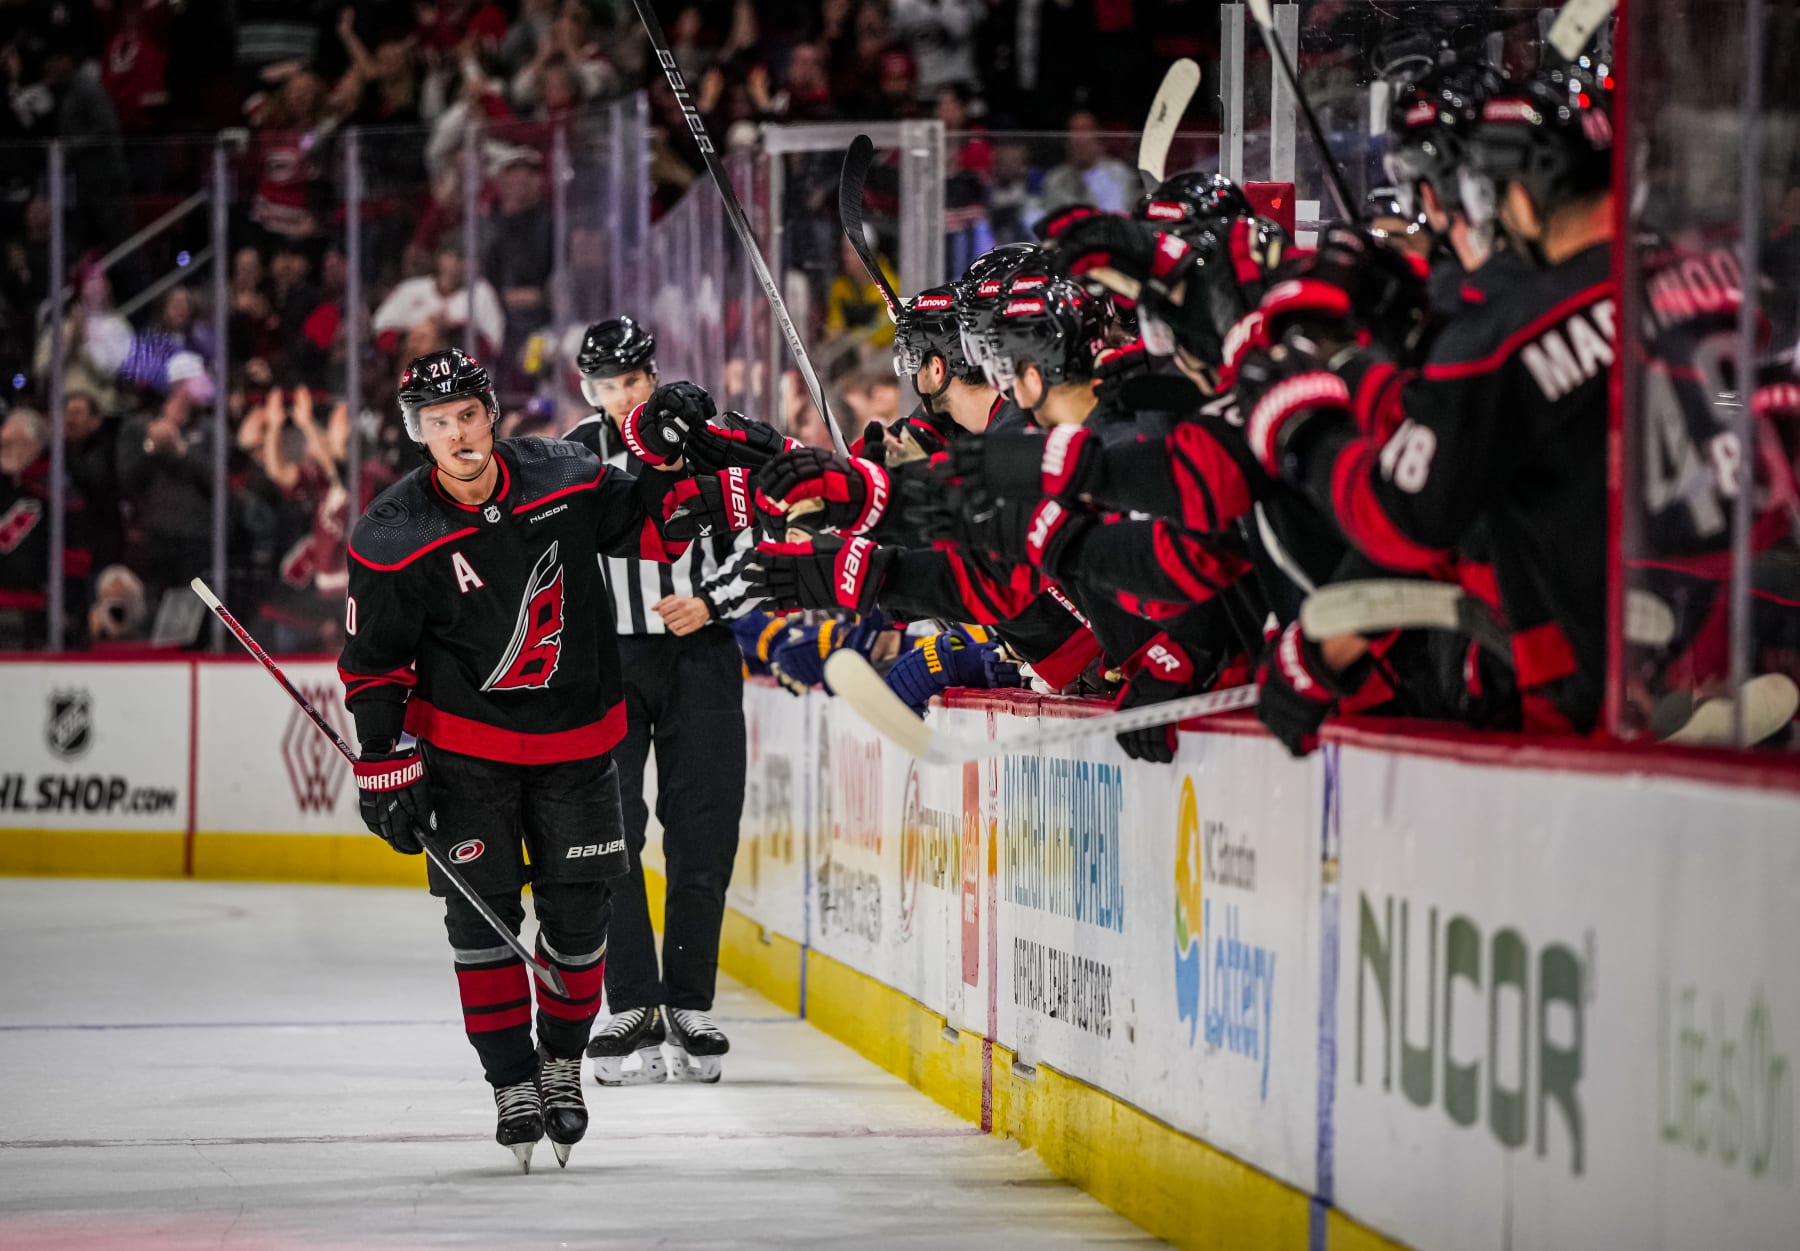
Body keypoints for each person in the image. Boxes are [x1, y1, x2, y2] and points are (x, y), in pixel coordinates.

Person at [339, 346, 744, 1170]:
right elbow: (375, 664)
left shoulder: (565, 476)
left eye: (469, 415)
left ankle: (560, 1063)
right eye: (438, 423)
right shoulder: (390, 536)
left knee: (579, 916)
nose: (458, 434)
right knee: (482, 923)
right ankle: (511, 1081)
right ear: (418, 433)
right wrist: (383, 763)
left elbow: (658, 523)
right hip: (464, 755)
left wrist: (679, 451)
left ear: (492, 414)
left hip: (577, 744)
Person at [562, 317, 767, 1086]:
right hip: (605, 662)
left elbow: (761, 530)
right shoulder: (574, 455)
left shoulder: (708, 436)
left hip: (702, 654)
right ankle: (631, 1002)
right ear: (588, 388)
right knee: (609, 829)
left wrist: (713, 601)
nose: (620, 399)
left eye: (631, 383)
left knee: (703, 825)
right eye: (605, 386)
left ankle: (688, 1002)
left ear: (652, 376)